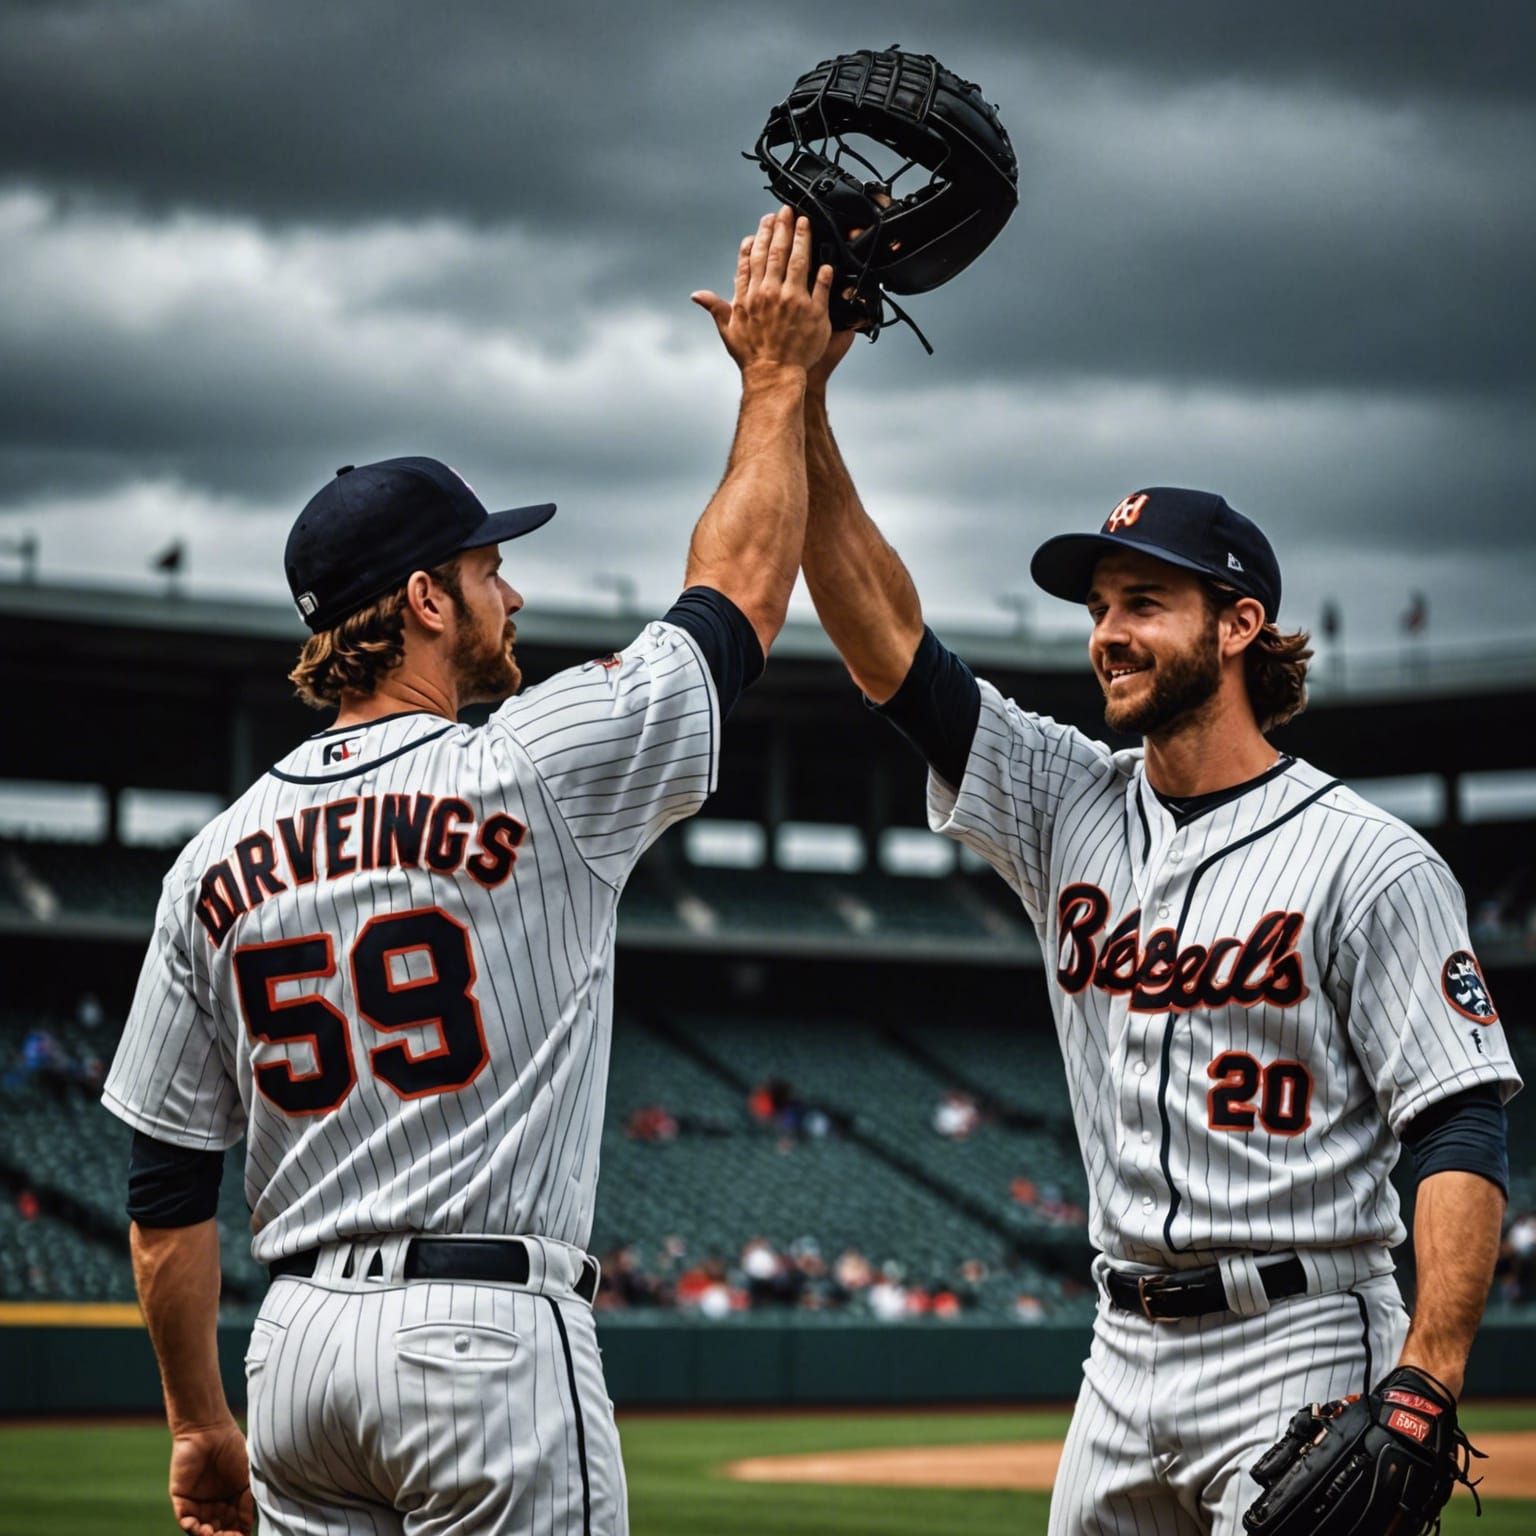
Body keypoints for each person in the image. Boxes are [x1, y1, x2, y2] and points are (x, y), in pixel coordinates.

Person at [101, 206, 832, 1536]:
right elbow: (739, 600)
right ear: (426, 601)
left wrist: (202, 1423)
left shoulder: (208, 862)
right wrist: (779, 382)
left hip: (297, 1354)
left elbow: (163, 1198)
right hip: (484, 1338)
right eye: (492, 568)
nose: (512, 595)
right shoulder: (533, 764)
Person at [798, 329, 1520, 1534]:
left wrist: (1430, 1377)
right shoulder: (1065, 799)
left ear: (1238, 626)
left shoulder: (1369, 858)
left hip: (1303, 1341)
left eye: (1146, 601)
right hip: (1119, 1352)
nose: (1107, 632)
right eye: (1098, 606)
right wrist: (800, 398)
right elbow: (887, 644)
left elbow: (1460, 1118)